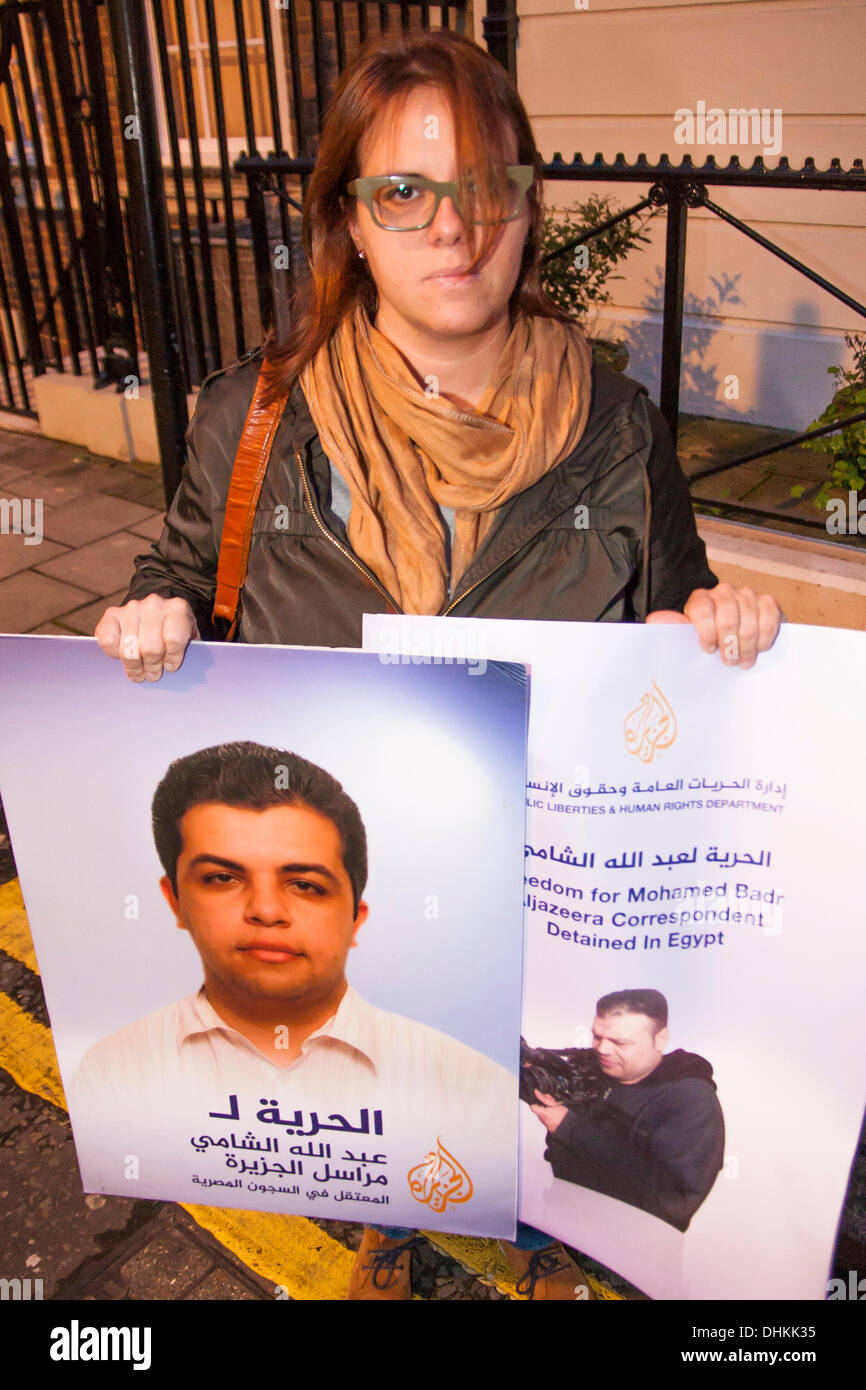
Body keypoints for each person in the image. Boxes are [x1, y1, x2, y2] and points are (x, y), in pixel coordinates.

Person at [94, 30, 782, 1297]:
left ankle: (555, 1245)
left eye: (484, 187)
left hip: (545, 899)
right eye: (403, 193)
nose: (450, 230)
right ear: (350, 223)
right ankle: (388, 1222)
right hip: (370, 901)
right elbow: (184, 573)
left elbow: (676, 600)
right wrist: (149, 614)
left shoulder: (616, 424)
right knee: (391, 1104)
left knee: (524, 1118)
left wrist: (716, 626)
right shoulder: (249, 422)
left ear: (524, 205)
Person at [68, 742, 516, 1251]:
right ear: (175, 900)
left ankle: (521, 1246)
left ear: (355, 919)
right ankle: (387, 1235)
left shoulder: (473, 1085)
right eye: (222, 877)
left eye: (304, 884)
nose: (265, 910)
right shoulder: (112, 1073)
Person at [530, 989, 724, 1231]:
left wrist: (570, 1129)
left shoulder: (692, 1104)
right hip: (563, 1217)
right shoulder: (597, 1068)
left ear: (660, 1039)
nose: (602, 1050)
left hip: (625, 1251)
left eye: (619, 1042)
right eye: (597, 1037)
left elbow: (674, 1202)